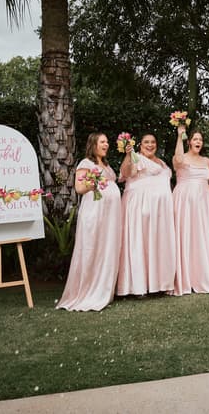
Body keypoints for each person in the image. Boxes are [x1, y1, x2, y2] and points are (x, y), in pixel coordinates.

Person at [57, 132, 121, 311]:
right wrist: (93, 183)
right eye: (102, 142)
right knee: (92, 248)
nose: (106, 144)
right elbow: (79, 188)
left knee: (106, 249)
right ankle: (88, 290)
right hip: (95, 213)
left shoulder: (106, 166)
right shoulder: (86, 164)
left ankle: (104, 288)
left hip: (110, 217)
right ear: (93, 144)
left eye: (107, 142)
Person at [116, 133, 176, 297]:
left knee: (159, 245)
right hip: (141, 209)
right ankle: (138, 285)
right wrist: (129, 154)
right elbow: (126, 172)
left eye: (153, 142)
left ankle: (161, 283)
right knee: (140, 244)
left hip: (161, 213)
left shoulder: (162, 163)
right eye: (146, 142)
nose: (150, 145)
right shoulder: (136, 158)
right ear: (140, 145)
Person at [172, 126, 209, 295]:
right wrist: (179, 136)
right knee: (185, 235)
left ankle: (203, 275)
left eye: (200, 139)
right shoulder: (181, 157)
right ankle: (185, 277)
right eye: (195, 139)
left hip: (203, 203)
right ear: (189, 141)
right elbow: (177, 161)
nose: (198, 142)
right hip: (184, 201)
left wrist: (204, 192)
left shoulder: (206, 161)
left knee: (202, 236)